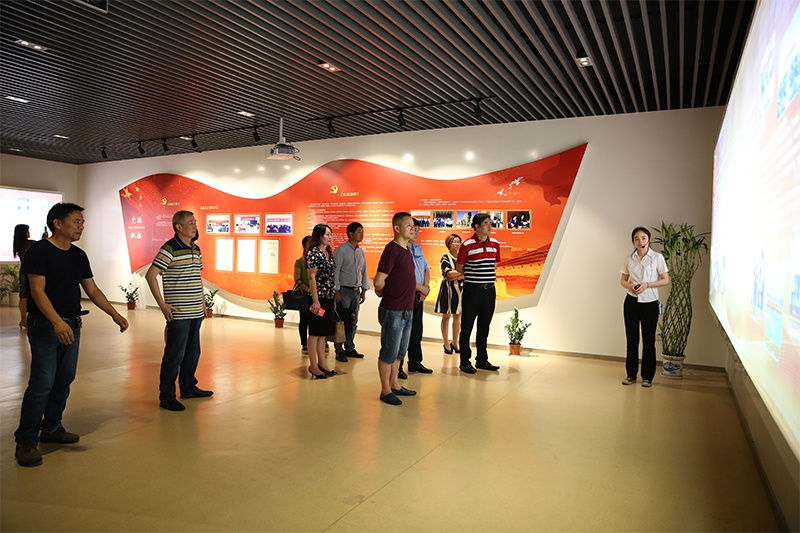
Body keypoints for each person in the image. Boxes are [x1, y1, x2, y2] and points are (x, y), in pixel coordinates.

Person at [14, 203, 129, 467]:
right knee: (42, 381)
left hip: (72, 324)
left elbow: (93, 290)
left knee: (65, 378)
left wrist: (115, 314)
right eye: (76, 221)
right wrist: (56, 321)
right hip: (46, 326)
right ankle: (26, 441)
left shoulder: (78, 255)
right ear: (57, 223)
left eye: (82, 222)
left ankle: (52, 427)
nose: (81, 226)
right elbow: (37, 292)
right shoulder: (39, 252)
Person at [145, 210, 213, 411]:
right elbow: (151, 275)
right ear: (178, 227)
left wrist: (203, 304)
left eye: (195, 222)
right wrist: (162, 305)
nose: (195, 226)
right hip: (179, 313)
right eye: (190, 223)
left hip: (195, 311)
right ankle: (166, 396)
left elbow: (197, 277)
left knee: (193, 353)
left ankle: (188, 387)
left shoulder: (195, 249)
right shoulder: (170, 249)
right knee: (174, 355)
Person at [373, 212, 418, 405]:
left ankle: (395, 384)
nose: (412, 228)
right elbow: (379, 281)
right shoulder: (392, 250)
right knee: (389, 352)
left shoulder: (406, 250)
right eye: (408, 225)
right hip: (394, 310)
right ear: (397, 228)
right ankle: (385, 390)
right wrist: (387, 291)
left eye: (413, 225)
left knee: (400, 351)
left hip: (407, 309)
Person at [620, 226, 670, 387]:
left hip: (650, 303)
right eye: (636, 238)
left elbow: (665, 280)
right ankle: (631, 375)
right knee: (632, 340)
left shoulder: (657, 257)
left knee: (649, 341)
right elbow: (623, 280)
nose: (639, 241)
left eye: (643, 238)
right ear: (633, 241)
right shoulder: (629, 259)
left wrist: (647, 285)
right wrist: (631, 287)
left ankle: (647, 377)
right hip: (631, 302)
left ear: (648, 240)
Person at [457, 213, 501, 374]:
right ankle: (464, 361)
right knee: (467, 326)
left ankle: (482, 359)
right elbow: (460, 268)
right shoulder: (467, 245)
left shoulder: (495, 244)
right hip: (472, 290)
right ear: (476, 226)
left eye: (490, 223)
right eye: (486, 223)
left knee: (484, 326)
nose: (490, 226)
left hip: (489, 291)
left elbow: (494, 264)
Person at [400, 218, 431, 376]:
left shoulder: (418, 248)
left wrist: (424, 289)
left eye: (418, 229)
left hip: (418, 295)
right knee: (402, 332)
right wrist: (421, 288)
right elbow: (404, 276)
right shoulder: (400, 249)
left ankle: (415, 362)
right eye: (413, 228)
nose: (416, 232)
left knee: (416, 330)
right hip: (405, 295)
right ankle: (397, 367)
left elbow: (426, 269)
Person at [333, 222, 368, 362]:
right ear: (351, 234)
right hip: (344, 290)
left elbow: (363, 271)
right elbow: (335, 271)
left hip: (356, 291)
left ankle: (350, 347)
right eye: (359, 232)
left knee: (353, 321)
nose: (362, 234)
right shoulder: (341, 250)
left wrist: (364, 289)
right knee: (342, 321)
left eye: (362, 232)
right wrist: (336, 291)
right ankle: (339, 349)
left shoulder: (360, 252)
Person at [306, 223, 337, 378]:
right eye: (327, 234)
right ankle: (313, 365)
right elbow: (312, 278)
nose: (330, 237)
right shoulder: (313, 253)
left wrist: (333, 297)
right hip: (317, 297)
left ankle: (322, 363)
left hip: (328, 296)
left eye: (330, 234)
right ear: (319, 236)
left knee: (323, 332)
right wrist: (315, 300)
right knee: (315, 332)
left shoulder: (329, 253)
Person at [434, 234, 464, 354]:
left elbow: (464, 273)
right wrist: (460, 274)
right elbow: (449, 274)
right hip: (448, 291)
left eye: (458, 242)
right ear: (449, 244)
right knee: (446, 316)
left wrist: (457, 275)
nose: (457, 244)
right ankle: (446, 343)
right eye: (454, 242)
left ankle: (455, 342)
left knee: (457, 316)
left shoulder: (462, 258)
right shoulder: (445, 257)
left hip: (460, 290)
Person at [13, 224, 36, 328]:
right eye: (28, 230)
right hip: (29, 272)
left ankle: (23, 320)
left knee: (23, 296)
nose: (29, 232)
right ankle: (24, 320)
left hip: (23, 271)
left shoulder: (19, 244)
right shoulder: (29, 244)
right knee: (25, 297)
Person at [294, 235, 312, 354]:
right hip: (305, 295)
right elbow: (297, 279)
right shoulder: (300, 262)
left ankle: (321, 341)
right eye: (309, 243)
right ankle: (304, 343)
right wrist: (309, 290)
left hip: (318, 295)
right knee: (304, 319)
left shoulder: (318, 260)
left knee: (319, 318)